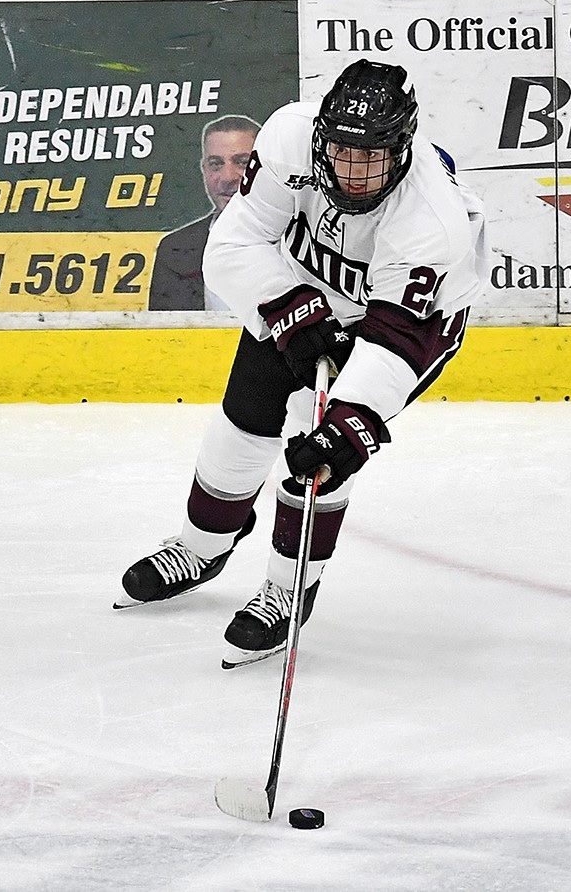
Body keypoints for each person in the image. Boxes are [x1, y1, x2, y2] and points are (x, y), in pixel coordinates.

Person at [118, 59, 489, 667]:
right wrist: (291, 309)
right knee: (242, 423)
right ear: (320, 137)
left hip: (400, 325)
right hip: (299, 288)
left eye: (374, 158)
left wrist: (353, 422)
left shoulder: (432, 220)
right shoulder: (289, 137)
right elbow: (237, 242)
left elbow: (399, 340)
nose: (355, 173)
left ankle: (287, 589)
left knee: (320, 452)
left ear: (403, 148)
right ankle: (202, 544)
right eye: (343, 153)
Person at [148, 114, 261, 310]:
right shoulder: (175, 249)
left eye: (242, 162)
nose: (227, 177)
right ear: (204, 170)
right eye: (216, 164)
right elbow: (166, 336)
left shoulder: (301, 240)